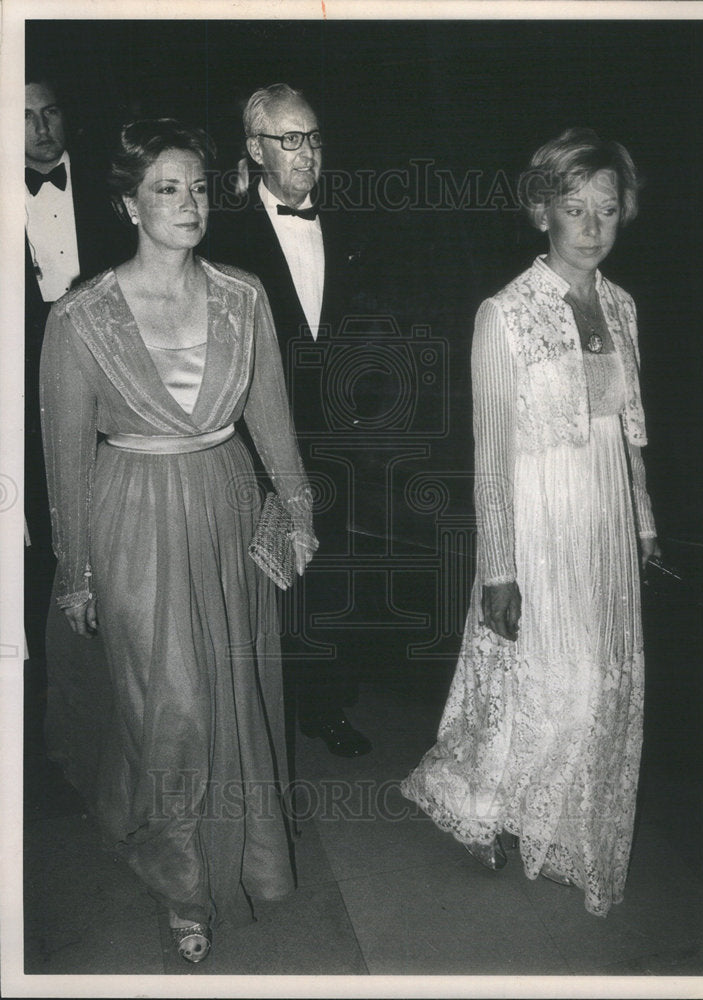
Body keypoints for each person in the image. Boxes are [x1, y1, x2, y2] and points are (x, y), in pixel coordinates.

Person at [40, 118, 317, 962]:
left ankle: (240, 858)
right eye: (167, 188)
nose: (188, 202)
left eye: (198, 186)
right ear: (128, 202)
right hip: (132, 517)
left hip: (230, 510)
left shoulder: (242, 295)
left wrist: (298, 510)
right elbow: (64, 455)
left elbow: (270, 416)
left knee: (234, 701)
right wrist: (75, 569)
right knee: (172, 711)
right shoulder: (82, 315)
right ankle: (181, 885)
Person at [401, 128, 659, 918]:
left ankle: (563, 831)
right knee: (544, 688)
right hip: (536, 528)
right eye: (574, 207)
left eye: (607, 209)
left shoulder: (621, 304)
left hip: (605, 529)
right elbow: (490, 454)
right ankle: (472, 799)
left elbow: (630, 430)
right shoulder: (504, 314)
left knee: (602, 688)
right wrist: (499, 568)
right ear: (541, 208)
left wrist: (644, 524)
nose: (591, 225)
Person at [211, 83, 372, 758]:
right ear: (255, 150)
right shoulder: (223, 232)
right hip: (253, 441)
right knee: (258, 577)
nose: (307, 154)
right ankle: (254, 721)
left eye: (313, 137)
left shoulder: (356, 221)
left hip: (337, 437)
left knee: (327, 572)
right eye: (289, 139)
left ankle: (323, 706)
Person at [24, 71, 129, 658]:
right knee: (42, 529)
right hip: (25, 390)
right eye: (26, 116)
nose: (43, 128)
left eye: (51, 112)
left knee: (113, 522)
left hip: (106, 378)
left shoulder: (107, 191)